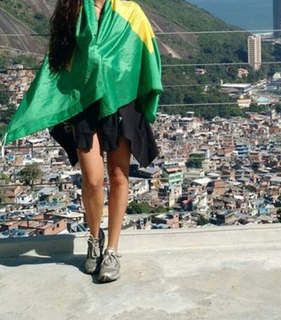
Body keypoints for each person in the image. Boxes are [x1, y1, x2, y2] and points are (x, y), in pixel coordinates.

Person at [0, 0, 163, 283]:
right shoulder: (72, 11)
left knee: (119, 175)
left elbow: (146, 53)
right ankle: (94, 238)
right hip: (84, 104)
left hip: (122, 101)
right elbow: (58, 64)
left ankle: (112, 250)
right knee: (92, 178)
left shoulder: (130, 12)